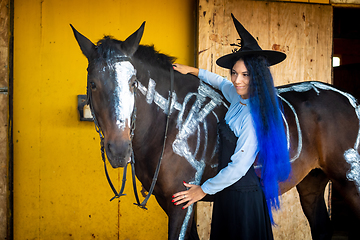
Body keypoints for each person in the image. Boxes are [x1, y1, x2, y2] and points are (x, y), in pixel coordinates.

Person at [172, 14, 291, 240]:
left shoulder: (253, 116)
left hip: (243, 199)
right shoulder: (238, 96)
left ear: (258, 77)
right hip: (228, 193)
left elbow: (238, 168)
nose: (238, 80)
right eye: (235, 73)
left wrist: (202, 190)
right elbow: (221, 82)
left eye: (245, 75)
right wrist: (193, 71)